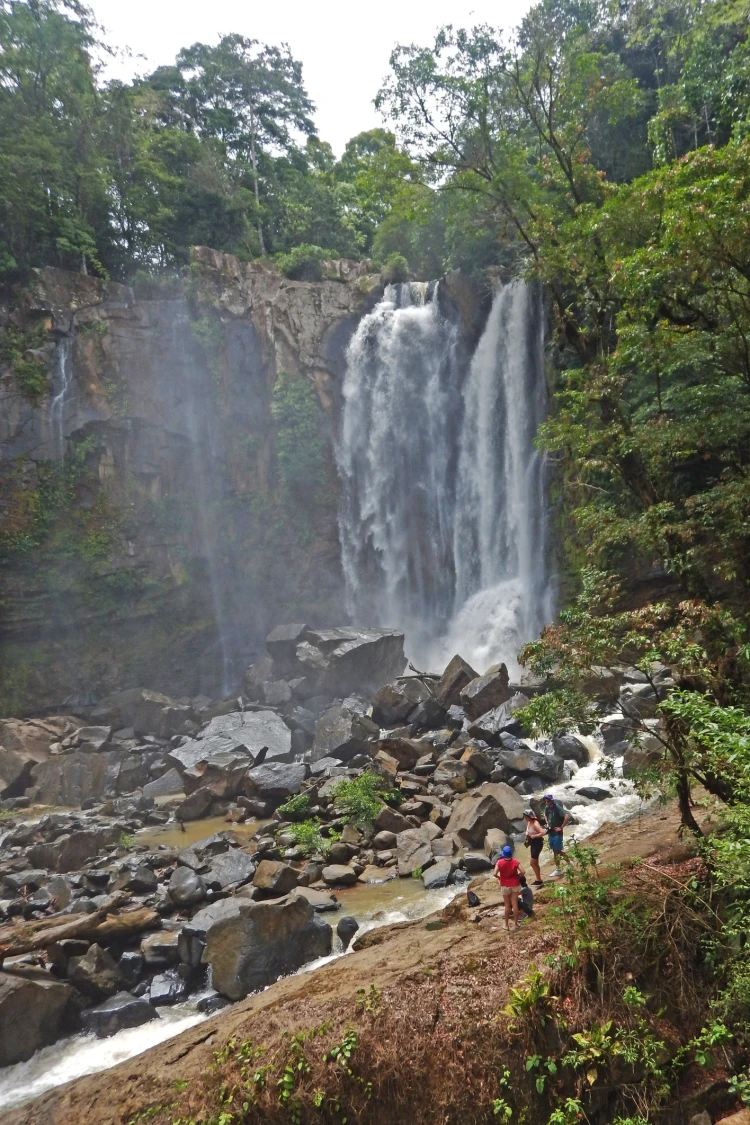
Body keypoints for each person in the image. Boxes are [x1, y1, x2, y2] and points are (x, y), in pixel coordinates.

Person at [494, 844, 525, 931]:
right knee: (514, 904)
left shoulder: (500, 862)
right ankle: (515, 924)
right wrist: (517, 876)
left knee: (507, 905)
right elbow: (523, 871)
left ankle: (506, 925)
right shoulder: (515, 861)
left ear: (503, 854)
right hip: (515, 884)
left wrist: (499, 878)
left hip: (505, 885)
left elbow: (494, 873)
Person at [543, 793, 571, 877]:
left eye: (547, 801)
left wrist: (561, 827)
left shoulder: (557, 807)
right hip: (551, 832)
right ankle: (569, 863)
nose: (546, 802)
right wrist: (547, 823)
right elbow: (545, 815)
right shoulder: (547, 807)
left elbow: (567, 816)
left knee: (556, 851)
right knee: (556, 850)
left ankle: (558, 869)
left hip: (557, 833)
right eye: (545, 801)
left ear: (551, 801)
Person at [522, 808, 546, 886]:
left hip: (537, 843)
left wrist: (534, 836)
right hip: (533, 843)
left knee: (532, 863)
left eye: (526, 816)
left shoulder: (535, 823)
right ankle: (538, 879)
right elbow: (528, 831)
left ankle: (539, 880)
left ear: (530, 816)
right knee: (535, 862)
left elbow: (543, 832)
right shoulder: (529, 822)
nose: (525, 818)